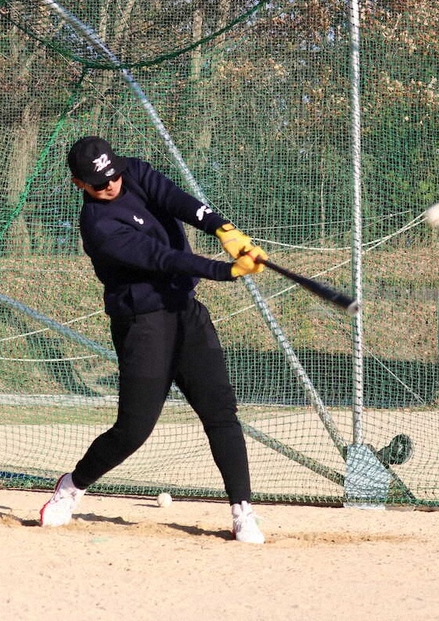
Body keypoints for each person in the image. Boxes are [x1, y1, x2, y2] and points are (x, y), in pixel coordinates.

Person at [39, 136, 268, 544]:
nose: (110, 185)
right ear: (79, 185)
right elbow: (163, 259)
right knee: (133, 430)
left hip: (186, 313)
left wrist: (222, 228)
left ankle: (242, 510)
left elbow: (177, 200)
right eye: (99, 183)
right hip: (143, 324)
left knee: (220, 412)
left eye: (113, 176)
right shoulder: (99, 227)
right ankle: (71, 486)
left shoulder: (136, 173)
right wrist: (224, 271)